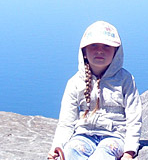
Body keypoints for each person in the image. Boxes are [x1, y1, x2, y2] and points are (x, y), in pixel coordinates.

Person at [48, 21, 142, 160]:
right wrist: (58, 146)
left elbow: (134, 117)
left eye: (106, 46)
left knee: (102, 156)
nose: (100, 51)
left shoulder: (125, 80)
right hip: (83, 136)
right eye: (93, 46)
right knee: (70, 152)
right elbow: (66, 122)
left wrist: (129, 151)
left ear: (116, 53)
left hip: (115, 136)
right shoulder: (75, 82)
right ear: (84, 51)